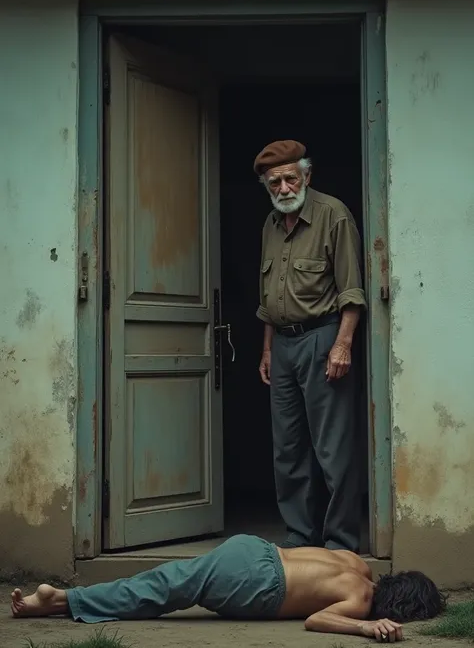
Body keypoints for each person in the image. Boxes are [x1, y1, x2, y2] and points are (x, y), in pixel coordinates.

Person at [11, 534, 446, 642]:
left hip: (254, 550)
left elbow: (299, 551)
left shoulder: (356, 562)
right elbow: (316, 620)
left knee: (162, 583)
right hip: (257, 582)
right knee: (159, 592)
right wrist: (367, 628)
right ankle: (63, 601)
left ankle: (62, 601)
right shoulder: (362, 597)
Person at [255, 140, 367, 552]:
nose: (284, 188)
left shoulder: (332, 214)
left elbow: (351, 290)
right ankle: (301, 539)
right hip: (282, 346)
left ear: (306, 176)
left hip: (324, 338)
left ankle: (340, 544)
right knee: (287, 449)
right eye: (274, 182)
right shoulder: (271, 223)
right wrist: (267, 350)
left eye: (290, 178)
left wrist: (343, 345)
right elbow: (268, 297)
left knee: (332, 448)